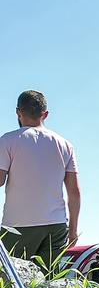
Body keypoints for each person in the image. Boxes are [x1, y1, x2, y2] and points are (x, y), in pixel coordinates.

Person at [0, 90, 80, 275]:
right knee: (48, 284)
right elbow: (74, 192)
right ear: (45, 114)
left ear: (18, 112)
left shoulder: (8, 140)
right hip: (56, 225)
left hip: (17, 225)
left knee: (11, 282)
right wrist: (73, 230)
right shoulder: (65, 145)